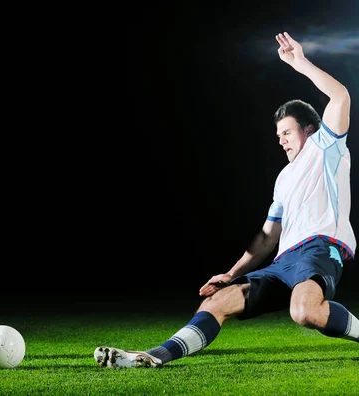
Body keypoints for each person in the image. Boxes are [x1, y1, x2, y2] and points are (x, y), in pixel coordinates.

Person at [94, 31, 359, 369]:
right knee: (219, 301)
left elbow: (341, 96)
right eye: (278, 136)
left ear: (309, 129)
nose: (281, 141)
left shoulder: (327, 147)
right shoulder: (283, 179)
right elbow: (267, 236)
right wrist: (231, 273)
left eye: (287, 133)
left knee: (305, 311)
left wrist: (300, 63)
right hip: (283, 261)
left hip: (320, 247)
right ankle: (154, 356)